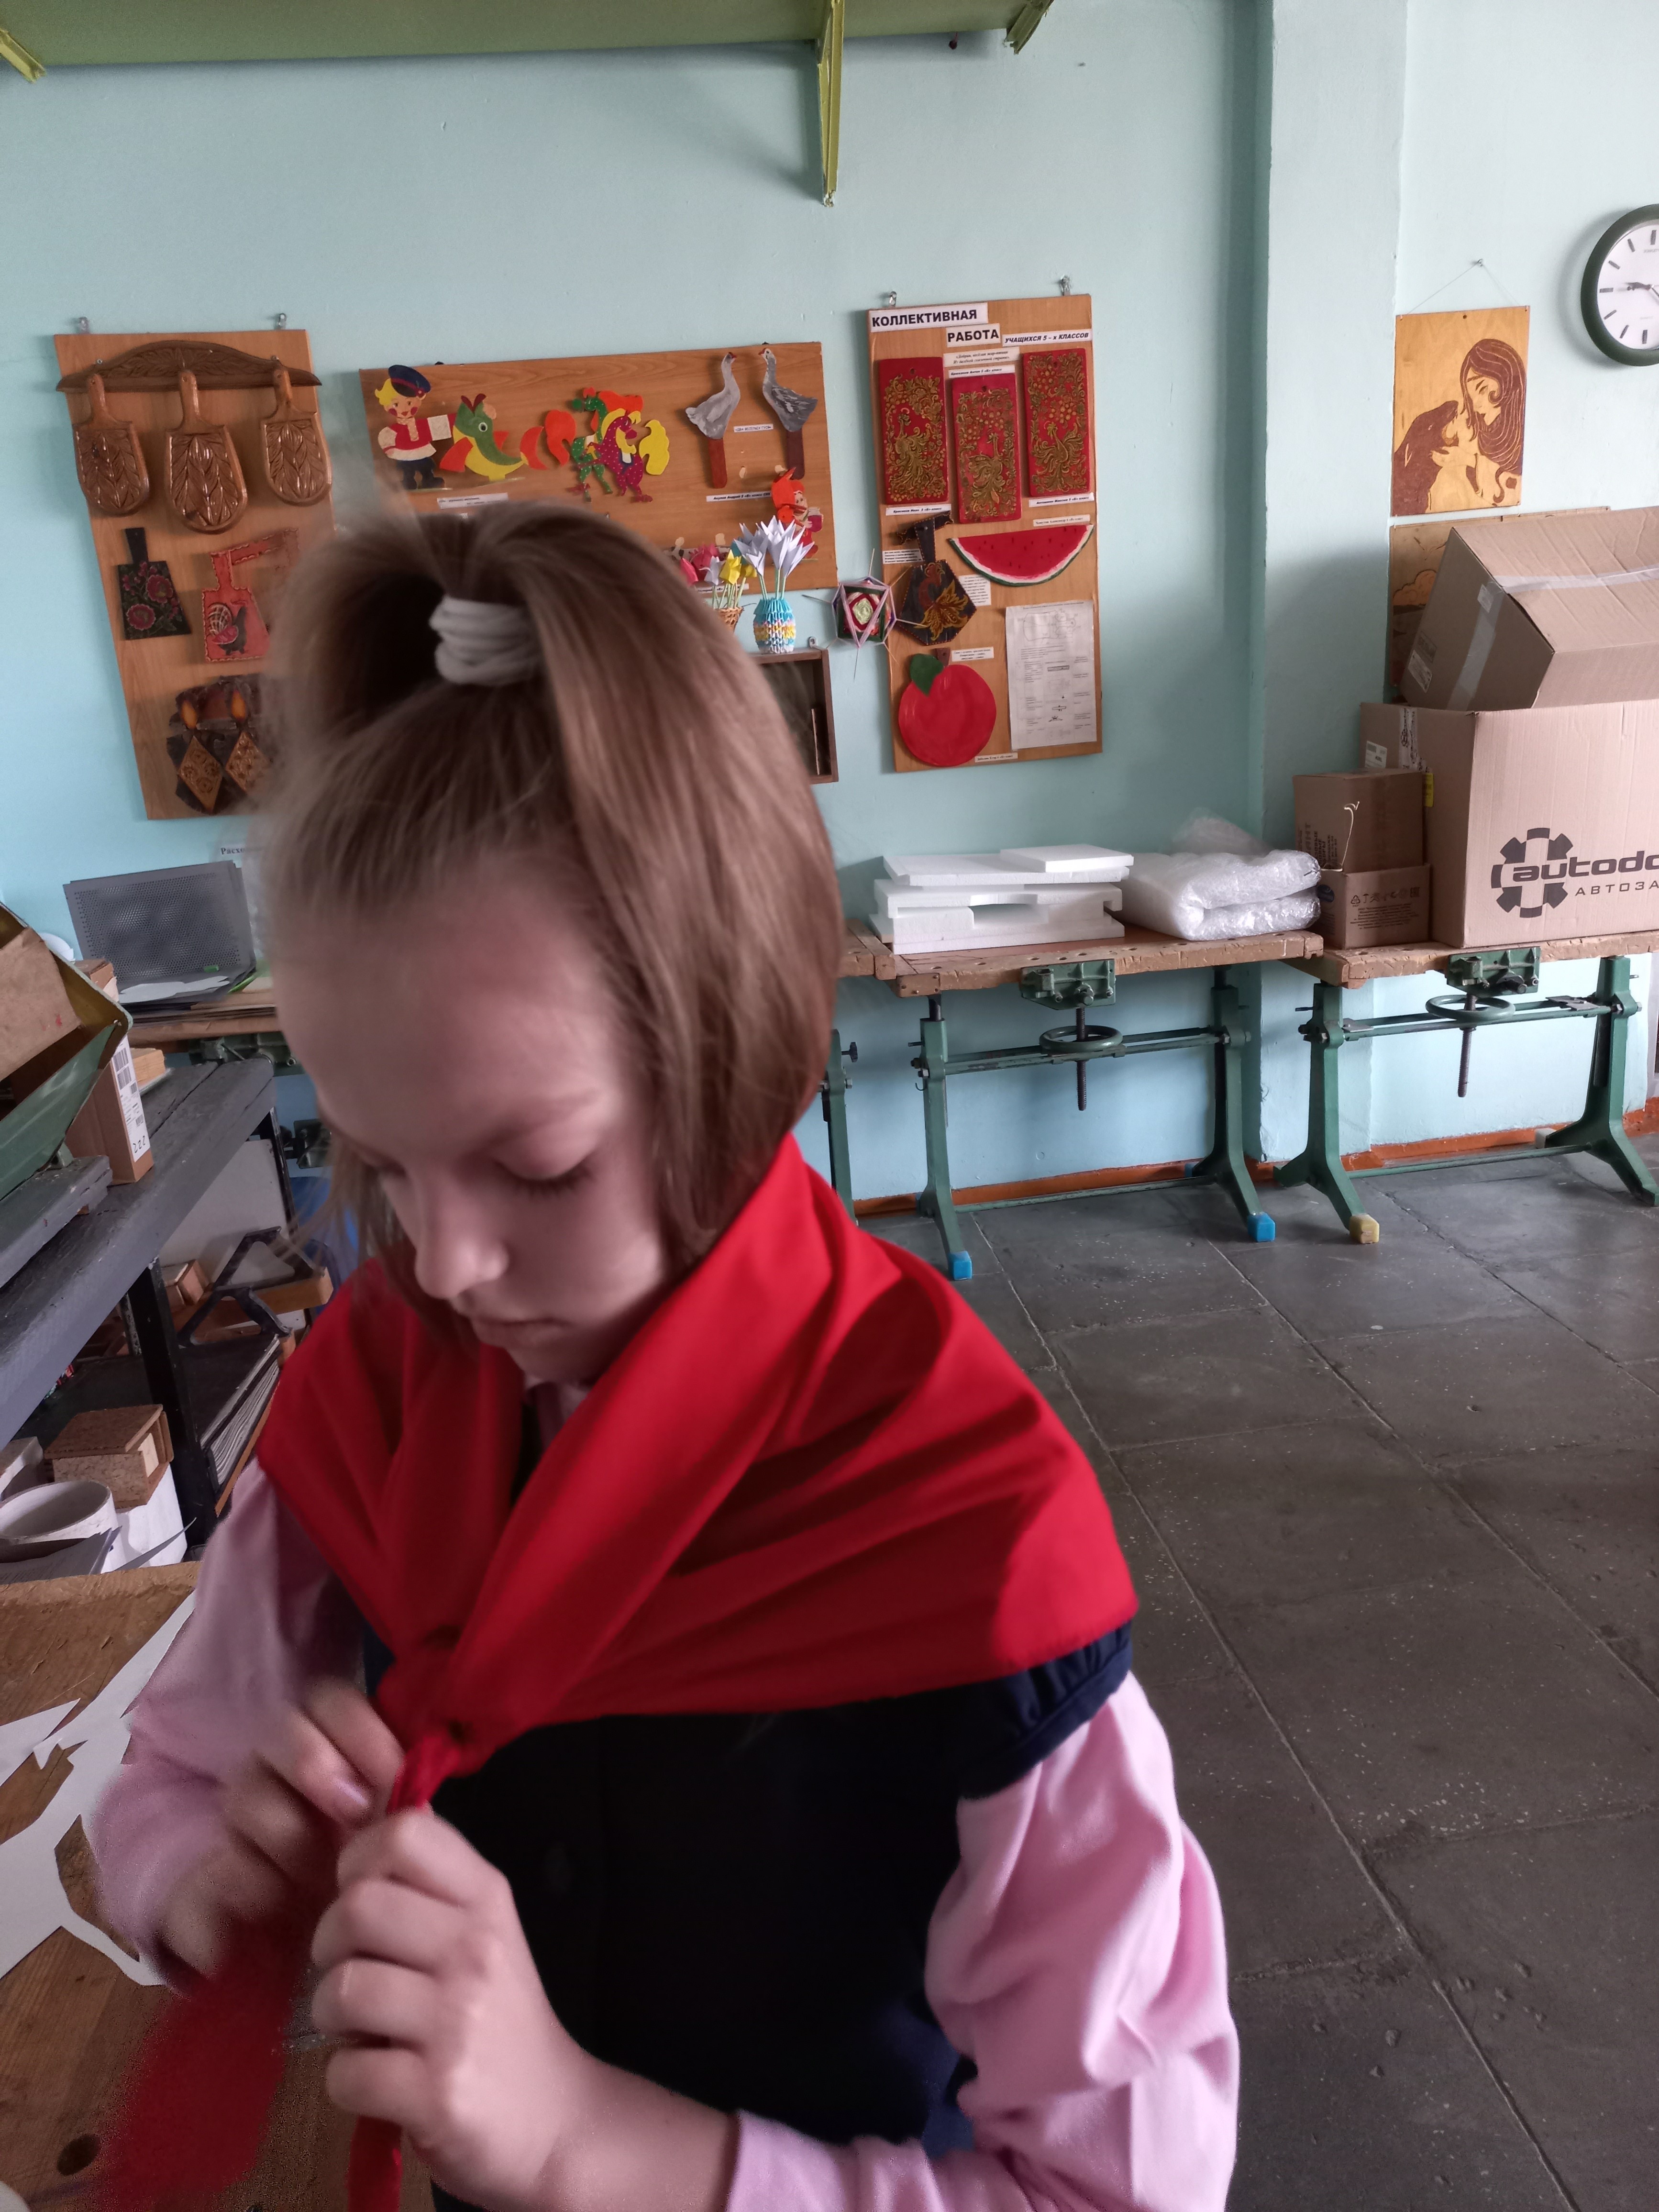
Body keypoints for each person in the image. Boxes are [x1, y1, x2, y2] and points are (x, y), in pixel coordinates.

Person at [91, 503, 1237, 2212]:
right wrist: (216, 1879)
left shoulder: (970, 1540)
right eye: (377, 1163)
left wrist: (582, 2137)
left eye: (538, 1166)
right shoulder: (376, 1399)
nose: (444, 1265)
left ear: (738, 1057)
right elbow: (169, 1780)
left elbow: (1110, 2187)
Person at [1391, 334, 1526, 516]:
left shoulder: (1524, 432)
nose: (1476, 404)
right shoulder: (1474, 427)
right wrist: (1447, 434)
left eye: (1482, 389)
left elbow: (1514, 490)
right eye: (1471, 396)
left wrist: (1468, 460)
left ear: (1507, 380)